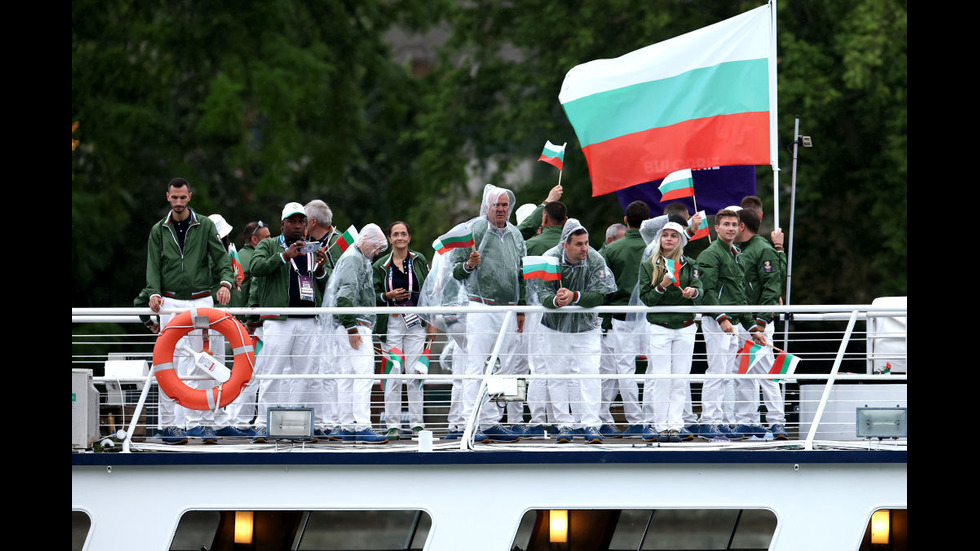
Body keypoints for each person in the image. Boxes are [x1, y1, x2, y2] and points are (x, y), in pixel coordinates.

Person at [145, 178, 233, 444]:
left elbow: (221, 258)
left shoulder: (205, 225)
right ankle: (170, 425)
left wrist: (225, 283)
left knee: (206, 361)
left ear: (190, 197)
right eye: (175, 198)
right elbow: (153, 265)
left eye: (183, 197)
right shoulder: (158, 230)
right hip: (170, 302)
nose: (179, 202)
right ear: (167, 197)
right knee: (167, 364)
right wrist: (153, 292)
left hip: (201, 300)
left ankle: (206, 424)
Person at [447, 184, 527, 443]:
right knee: (476, 364)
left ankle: (492, 420)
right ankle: (470, 419)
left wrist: (521, 307)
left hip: (508, 309)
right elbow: (455, 270)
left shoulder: (515, 235)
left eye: (504, 205)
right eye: (496, 205)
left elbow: (522, 273)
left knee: (504, 367)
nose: (501, 209)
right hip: (480, 305)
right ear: (486, 207)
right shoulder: (475, 230)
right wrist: (469, 265)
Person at [527, 219, 617, 444]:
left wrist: (574, 296)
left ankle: (591, 424)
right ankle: (564, 424)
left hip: (586, 329)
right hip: (554, 328)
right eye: (579, 244)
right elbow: (542, 294)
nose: (585, 248)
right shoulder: (549, 259)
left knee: (590, 376)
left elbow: (602, 294)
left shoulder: (595, 259)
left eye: (586, 242)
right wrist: (556, 301)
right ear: (565, 245)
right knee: (557, 376)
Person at [249, 202, 329, 442]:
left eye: (301, 222)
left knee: (303, 375)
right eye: (292, 221)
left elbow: (322, 285)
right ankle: (263, 424)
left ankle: (295, 425)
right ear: (282, 224)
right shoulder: (269, 244)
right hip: (278, 319)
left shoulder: (312, 247)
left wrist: (321, 269)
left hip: (308, 319)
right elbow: (255, 267)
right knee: (272, 372)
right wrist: (285, 256)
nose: (297, 226)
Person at [696, 209, 762, 440]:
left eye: (734, 224)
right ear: (716, 228)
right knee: (716, 372)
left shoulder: (735, 253)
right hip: (717, 322)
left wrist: (752, 328)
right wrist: (722, 317)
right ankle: (708, 421)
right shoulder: (710, 254)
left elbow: (740, 296)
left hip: (732, 323)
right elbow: (707, 291)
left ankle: (716, 420)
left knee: (725, 375)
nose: (731, 228)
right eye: (726, 224)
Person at [322, 224, 390, 444]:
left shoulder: (352, 257)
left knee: (346, 377)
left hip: (345, 325)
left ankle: (347, 425)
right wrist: (351, 327)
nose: (377, 253)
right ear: (367, 240)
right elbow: (345, 295)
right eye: (377, 247)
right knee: (363, 376)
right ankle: (362, 425)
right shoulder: (354, 259)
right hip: (355, 325)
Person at [634, 222, 702, 442]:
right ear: (660, 239)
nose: (669, 239)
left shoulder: (690, 264)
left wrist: (693, 292)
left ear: (680, 240)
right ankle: (660, 425)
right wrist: (662, 286)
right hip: (659, 327)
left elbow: (701, 290)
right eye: (666, 235)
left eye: (674, 235)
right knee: (661, 378)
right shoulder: (649, 265)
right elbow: (647, 299)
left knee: (680, 379)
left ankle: (675, 425)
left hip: (685, 326)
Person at [374, 221, 435, 440]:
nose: (400, 238)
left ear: (409, 237)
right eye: (395, 234)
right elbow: (371, 294)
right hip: (391, 322)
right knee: (393, 372)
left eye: (403, 234)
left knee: (414, 372)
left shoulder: (418, 260)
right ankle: (393, 425)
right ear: (389, 238)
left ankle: (417, 424)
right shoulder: (380, 265)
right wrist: (387, 296)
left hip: (416, 322)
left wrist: (432, 323)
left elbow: (429, 291)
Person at [732, 208, 788, 440]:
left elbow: (772, 287)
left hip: (757, 322)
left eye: (734, 224)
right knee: (742, 374)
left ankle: (777, 423)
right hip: (743, 321)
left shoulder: (762, 249)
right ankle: (746, 422)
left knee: (766, 373)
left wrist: (761, 323)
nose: (731, 228)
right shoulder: (737, 249)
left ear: (742, 226)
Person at [597, 200, 649, 438]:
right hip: (650, 316)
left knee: (623, 370)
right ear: (647, 221)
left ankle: (636, 420)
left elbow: (601, 285)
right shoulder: (655, 247)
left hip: (620, 317)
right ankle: (649, 419)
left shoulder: (612, 249)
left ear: (626, 220)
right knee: (655, 369)